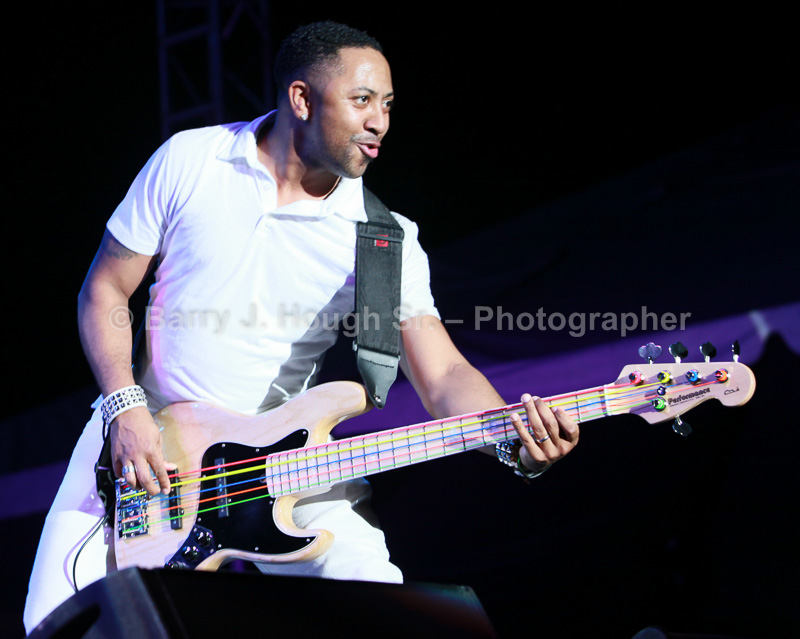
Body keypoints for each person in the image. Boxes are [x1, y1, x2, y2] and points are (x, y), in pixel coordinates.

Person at [23, 21, 579, 633]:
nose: (380, 122)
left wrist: (511, 439)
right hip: (145, 443)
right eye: (362, 100)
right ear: (302, 99)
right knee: (57, 625)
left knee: (393, 616)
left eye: (388, 105)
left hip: (284, 455)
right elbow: (105, 289)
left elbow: (443, 373)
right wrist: (123, 408)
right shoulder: (191, 160)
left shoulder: (384, 240)